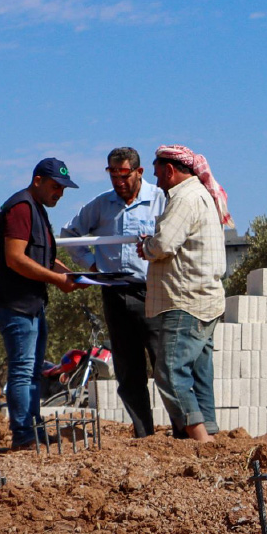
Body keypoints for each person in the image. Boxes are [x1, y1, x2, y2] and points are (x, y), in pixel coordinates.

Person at [0, 158, 81, 450]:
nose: (60, 193)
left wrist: (66, 272)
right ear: (38, 181)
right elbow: (15, 258)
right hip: (14, 304)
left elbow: (38, 256)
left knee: (32, 372)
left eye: (64, 188)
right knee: (22, 370)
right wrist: (58, 280)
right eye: (56, 186)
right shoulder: (21, 208)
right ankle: (24, 436)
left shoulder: (35, 208)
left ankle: (32, 431)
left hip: (30, 304)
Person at [60, 146, 168, 438]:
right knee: (127, 367)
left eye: (124, 175)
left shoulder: (160, 199)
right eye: (113, 175)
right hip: (114, 293)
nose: (119, 182)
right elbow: (68, 235)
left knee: (165, 364)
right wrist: (91, 263)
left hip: (153, 292)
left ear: (139, 172)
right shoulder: (101, 204)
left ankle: (181, 430)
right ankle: (143, 432)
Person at [139, 144, 230, 442]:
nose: (157, 180)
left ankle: (200, 439)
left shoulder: (184, 198)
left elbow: (164, 244)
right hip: (205, 299)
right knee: (200, 374)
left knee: (169, 372)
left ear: (170, 170)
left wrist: (146, 246)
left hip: (185, 301)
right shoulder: (201, 195)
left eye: (157, 173)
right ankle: (210, 436)